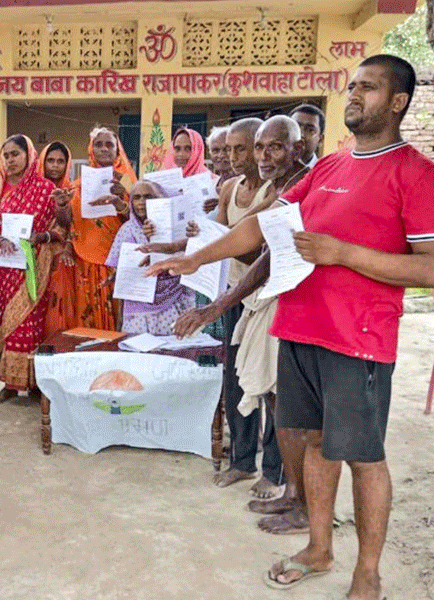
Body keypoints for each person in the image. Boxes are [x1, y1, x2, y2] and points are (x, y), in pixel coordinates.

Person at [150, 54, 434, 600]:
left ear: (398, 102)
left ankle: (368, 574)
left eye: (369, 88)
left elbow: (429, 265)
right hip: (300, 328)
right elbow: (262, 224)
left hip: (360, 341)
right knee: (314, 444)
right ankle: (320, 548)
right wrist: (194, 258)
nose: (354, 95)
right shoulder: (331, 166)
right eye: (352, 86)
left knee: (364, 457)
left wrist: (343, 253)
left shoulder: (415, 174)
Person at [213, 117, 283, 498]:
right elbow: (222, 235)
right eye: (230, 149)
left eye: (244, 148)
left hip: (266, 297)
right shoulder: (229, 188)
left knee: (269, 382)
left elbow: (258, 248)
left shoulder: (276, 192)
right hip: (233, 294)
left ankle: (273, 470)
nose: (236, 157)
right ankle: (242, 461)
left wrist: (223, 240)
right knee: (235, 376)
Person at [0, 134, 56, 404]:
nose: (9, 160)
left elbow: (58, 228)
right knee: (6, 323)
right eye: (6, 155)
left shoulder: (45, 190)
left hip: (32, 266)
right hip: (4, 267)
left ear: (29, 155)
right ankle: (10, 383)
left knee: (31, 324)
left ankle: (32, 383)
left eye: (15, 154)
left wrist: (39, 239)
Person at [59, 127, 136, 331]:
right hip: (84, 262)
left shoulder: (130, 184)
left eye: (109, 145)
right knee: (86, 318)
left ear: (117, 152)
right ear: (91, 150)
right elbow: (70, 223)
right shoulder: (77, 186)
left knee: (116, 318)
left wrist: (122, 200)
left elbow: (138, 222)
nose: (103, 149)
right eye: (98, 145)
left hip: (116, 264)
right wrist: (63, 205)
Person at [104, 181, 195, 334]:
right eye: (137, 197)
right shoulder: (126, 231)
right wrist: (118, 275)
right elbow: (122, 276)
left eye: (148, 197)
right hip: (138, 310)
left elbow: (189, 259)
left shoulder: (179, 229)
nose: (142, 203)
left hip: (173, 303)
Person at [37, 141, 76, 337]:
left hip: (59, 261)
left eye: (61, 161)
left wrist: (63, 205)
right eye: (50, 160)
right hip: (33, 259)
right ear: (42, 162)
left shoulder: (72, 191)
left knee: (57, 312)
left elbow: (71, 226)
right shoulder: (33, 192)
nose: (55, 165)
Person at [289, 103, 326, 168]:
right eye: (296, 127)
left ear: (320, 140)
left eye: (310, 130)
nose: (301, 134)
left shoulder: (325, 173)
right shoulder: (270, 170)